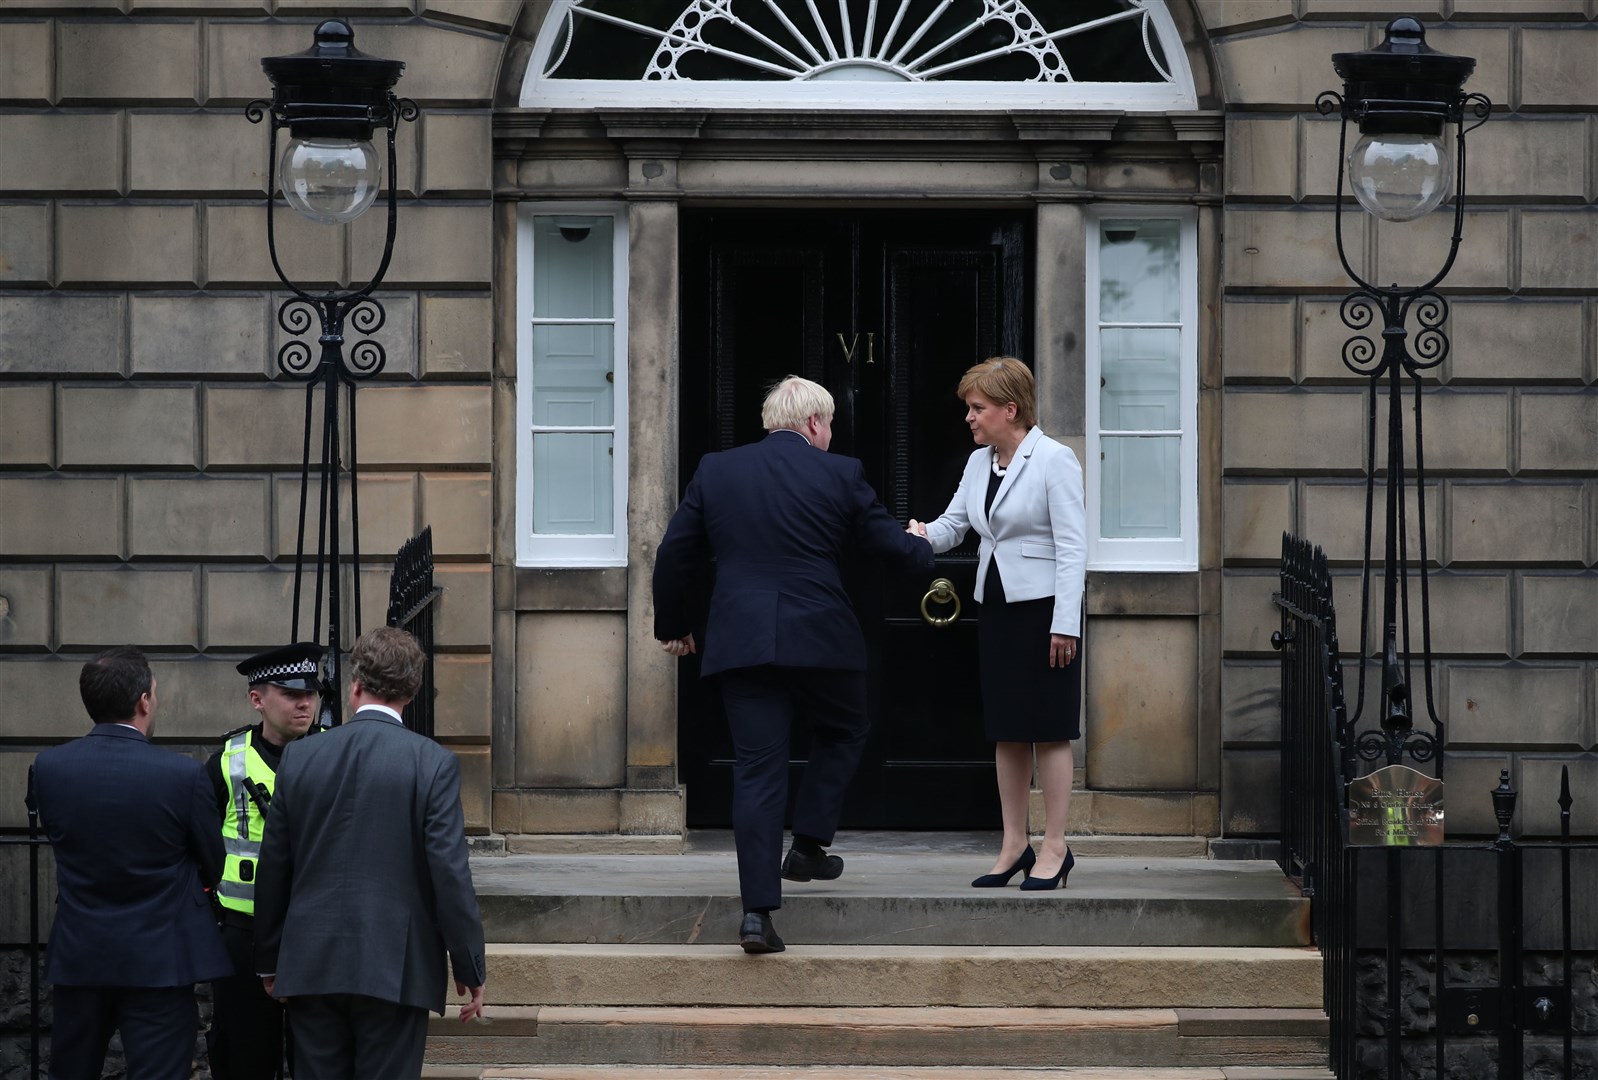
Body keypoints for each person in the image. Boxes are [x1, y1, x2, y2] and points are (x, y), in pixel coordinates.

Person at [653, 374, 935, 953]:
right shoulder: (841, 473)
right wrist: (921, 542)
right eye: (829, 424)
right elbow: (888, 545)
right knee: (847, 727)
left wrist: (675, 626)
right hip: (821, 640)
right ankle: (807, 843)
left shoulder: (717, 469)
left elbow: (673, 553)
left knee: (757, 770)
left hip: (742, 641)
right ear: (813, 423)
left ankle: (757, 915)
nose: (831, 435)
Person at [253, 627, 486, 1080]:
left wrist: (269, 959)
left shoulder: (301, 758)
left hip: (311, 962)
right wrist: (468, 963)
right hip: (395, 966)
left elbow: (274, 865)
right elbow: (449, 873)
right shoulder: (432, 762)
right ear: (412, 692)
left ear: (355, 685)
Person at [909, 356, 1087, 891]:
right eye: (969, 408)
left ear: (1011, 409)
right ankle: (1014, 844)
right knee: (1007, 731)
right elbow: (956, 525)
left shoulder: (1055, 459)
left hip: (1045, 612)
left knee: (1051, 730)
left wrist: (1066, 624)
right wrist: (918, 535)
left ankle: (1055, 846)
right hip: (999, 607)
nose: (969, 417)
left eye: (978, 408)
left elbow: (1073, 547)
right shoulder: (979, 463)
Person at [30, 646, 231, 1080]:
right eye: (154, 693)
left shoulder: (49, 768)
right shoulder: (183, 775)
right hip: (161, 959)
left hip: (81, 954)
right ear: (143, 701)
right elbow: (216, 862)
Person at [205, 642, 325, 1080]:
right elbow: (200, 843)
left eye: (311, 692)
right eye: (291, 693)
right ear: (258, 699)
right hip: (244, 933)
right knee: (245, 1056)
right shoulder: (226, 763)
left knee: (318, 1059)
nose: (305, 702)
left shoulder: (337, 753)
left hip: (316, 929)